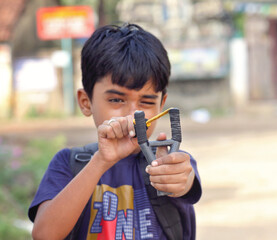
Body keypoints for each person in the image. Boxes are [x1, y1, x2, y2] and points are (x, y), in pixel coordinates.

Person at [28, 23, 202, 240]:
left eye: (147, 102)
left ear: (161, 105)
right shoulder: (68, 164)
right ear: (86, 102)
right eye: (116, 100)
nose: (133, 115)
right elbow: (45, 235)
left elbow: (183, 180)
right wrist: (101, 160)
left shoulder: (169, 161)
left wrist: (180, 178)